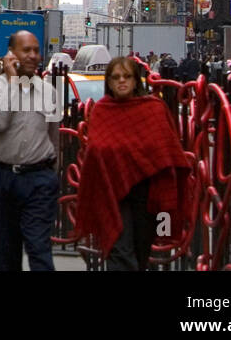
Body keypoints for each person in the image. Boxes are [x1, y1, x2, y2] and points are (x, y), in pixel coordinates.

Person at [73, 57, 193, 270]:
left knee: (140, 251)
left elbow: (167, 152)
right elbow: (96, 153)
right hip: (112, 193)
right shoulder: (102, 110)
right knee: (119, 249)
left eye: (127, 76)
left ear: (136, 81)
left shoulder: (153, 108)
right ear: (108, 82)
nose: (122, 81)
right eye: (116, 77)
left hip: (147, 193)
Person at [0, 30, 61, 271]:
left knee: (39, 249)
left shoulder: (49, 90)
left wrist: (51, 174)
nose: (33, 56)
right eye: (26, 50)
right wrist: (13, 82)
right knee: (6, 254)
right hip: (2, 178)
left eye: (36, 50)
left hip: (39, 178)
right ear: (11, 54)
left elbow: (54, 136)